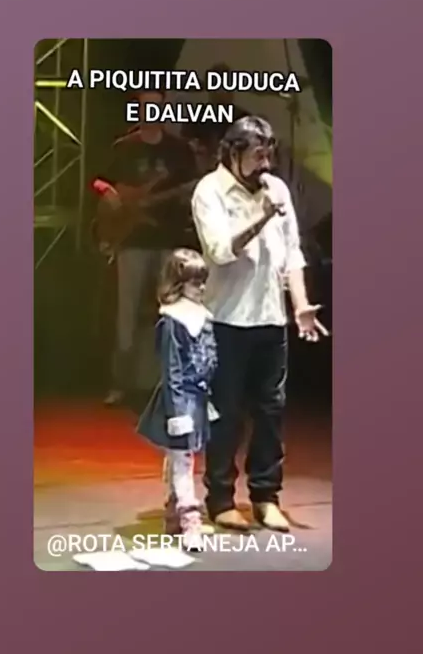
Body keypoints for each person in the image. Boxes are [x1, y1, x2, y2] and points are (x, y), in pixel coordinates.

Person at [191, 116, 329, 532]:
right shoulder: (210, 191)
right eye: (257, 155)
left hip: (270, 319)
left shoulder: (277, 189)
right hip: (227, 320)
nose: (266, 163)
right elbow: (219, 251)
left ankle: (266, 496)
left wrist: (300, 305)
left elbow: (292, 254)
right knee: (226, 413)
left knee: (271, 412)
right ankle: (220, 499)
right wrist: (262, 217)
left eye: (269, 154)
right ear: (233, 153)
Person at [102, 88, 198, 406]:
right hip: (132, 241)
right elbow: (99, 181)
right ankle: (120, 384)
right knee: (126, 314)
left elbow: (193, 188)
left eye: (157, 107)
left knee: (168, 312)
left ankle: (166, 382)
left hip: (167, 240)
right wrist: (110, 195)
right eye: (146, 107)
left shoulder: (179, 150)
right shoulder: (124, 147)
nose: (151, 112)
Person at [137, 249, 219, 550]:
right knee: (182, 458)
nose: (201, 288)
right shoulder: (173, 321)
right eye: (195, 282)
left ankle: (174, 512)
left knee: (183, 457)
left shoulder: (203, 317)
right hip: (180, 400)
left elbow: (208, 360)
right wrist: (177, 412)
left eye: (203, 282)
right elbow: (171, 369)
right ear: (179, 283)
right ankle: (189, 519)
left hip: (198, 398)